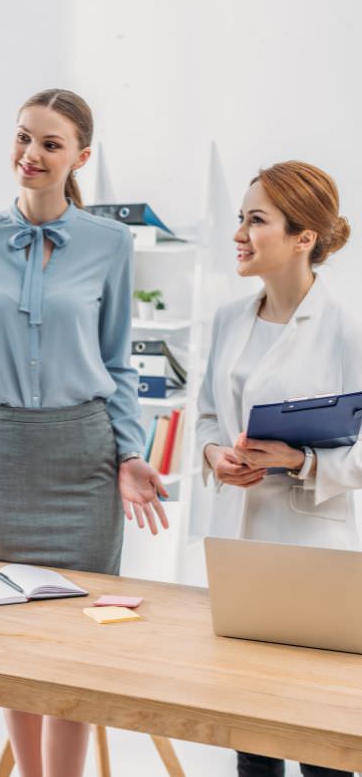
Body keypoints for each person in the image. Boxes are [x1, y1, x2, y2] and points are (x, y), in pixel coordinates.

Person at [0, 88, 169, 777]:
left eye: (51, 144)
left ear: (80, 157)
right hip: (2, 451)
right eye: (23, 138)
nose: (31, 155)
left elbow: (119, 360)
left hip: (83, 455)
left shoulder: (110, 243)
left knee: (76, 636)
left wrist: (129, 453)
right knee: (7, 625)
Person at [197, 160, 360, 777]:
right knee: (252, 738)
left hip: (316, 553)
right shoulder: (228, 320)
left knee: (323, 743)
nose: (238, 232)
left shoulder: (347, 327)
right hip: (241, 549)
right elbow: (210, 417)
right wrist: (217, 457)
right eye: (239, 218)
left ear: (303, 238)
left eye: (255, 220)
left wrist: (302, 459)